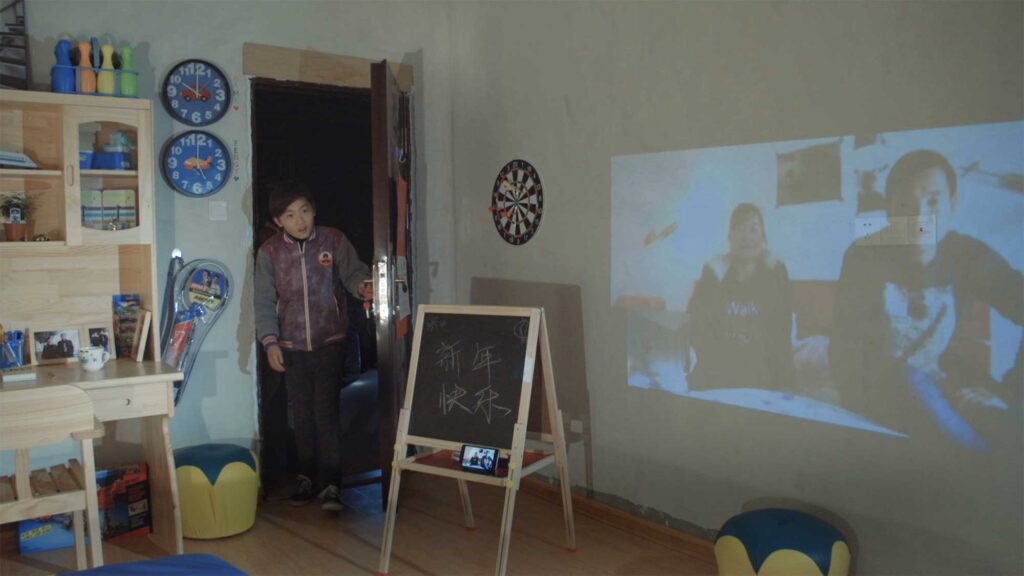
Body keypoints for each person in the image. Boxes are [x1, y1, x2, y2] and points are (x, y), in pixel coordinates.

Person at [829, 150, 1023, 450]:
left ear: (953, 204)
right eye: (906, 204)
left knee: (1007, 426)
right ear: (890, 210)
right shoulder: (863, 255)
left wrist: (1013, 395)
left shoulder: (970, 255)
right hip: (882, 391)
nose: (920, 217)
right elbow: (845, 351)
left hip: (944, 385)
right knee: (907, 379)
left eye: (933, 201)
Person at [255, 179, 373, 512]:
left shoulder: (333, 240)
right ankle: (306, 477)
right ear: (279, 221)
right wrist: (270, 342)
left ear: (314, 210)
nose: (300, 220)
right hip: (290, 346)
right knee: (300, 417)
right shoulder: (269, 253)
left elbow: (353, 275)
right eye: (290, 215)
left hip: (329, 341)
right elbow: (263, 301)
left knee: (325, 414)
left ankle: (333, 483)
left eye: (304, 211)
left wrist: (364, 287)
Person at [684, 203, 795, 392]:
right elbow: (695, 326)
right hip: (720, 371)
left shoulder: (776, 272)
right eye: (739, 230)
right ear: (730, 237)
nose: (747, 238)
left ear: (763, 238)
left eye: (753, 229)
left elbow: (781, 335)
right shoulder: (714, 272)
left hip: (761, 372)